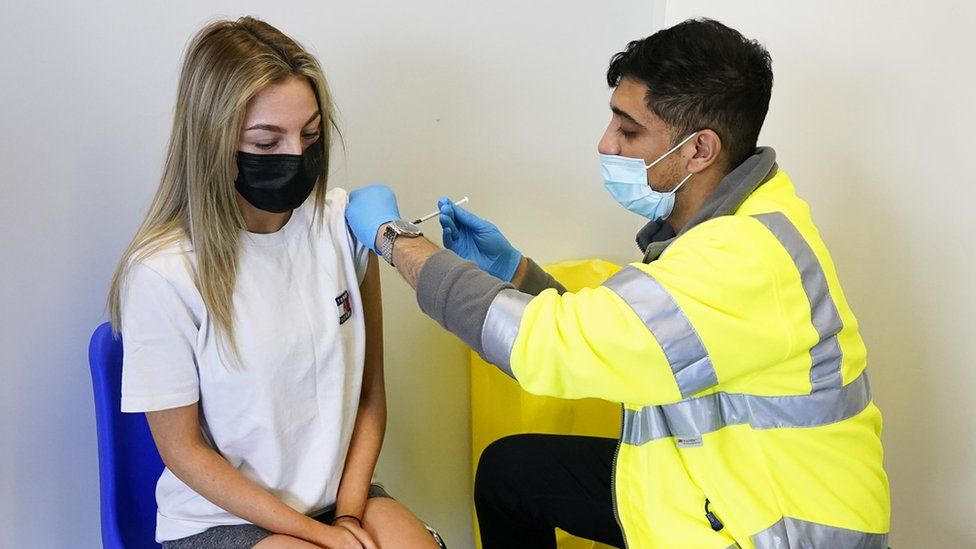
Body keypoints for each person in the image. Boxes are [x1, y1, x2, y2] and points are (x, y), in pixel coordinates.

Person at [344, 18, 890, 549]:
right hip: (712, 483)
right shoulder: (734, 220)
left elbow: (551, 346)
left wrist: (395, 241)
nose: (606, 144)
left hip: (775, 529)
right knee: (514, 473)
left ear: (699, 151)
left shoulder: (741, 257)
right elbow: (634, 339)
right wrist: (517, 274)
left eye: (629, 130)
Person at [108, 17, 443, 549]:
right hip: (219, 516)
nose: (296, 155)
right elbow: (184, 453)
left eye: (309, 135)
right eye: (267, 141)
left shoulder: (341, 226)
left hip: (339, 498)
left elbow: (370, 394)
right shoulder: (163, 272)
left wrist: (350, 518)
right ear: (213, 142)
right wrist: (315, 535)